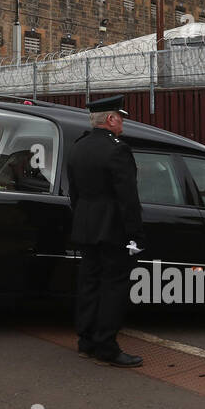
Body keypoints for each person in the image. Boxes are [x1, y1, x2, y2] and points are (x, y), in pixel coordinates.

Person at [66, 95, 145, 367]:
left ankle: (86, 341)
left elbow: (74, 193)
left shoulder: (78, 147)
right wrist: (135, 234)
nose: (122, 123)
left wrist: (82, 219)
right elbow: (128, 198)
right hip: (112, 229)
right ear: (110, 119)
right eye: (120, 118)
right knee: (113, 287)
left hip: (85, 227)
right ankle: (106, 346)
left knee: (89, 283)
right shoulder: (118, 150)